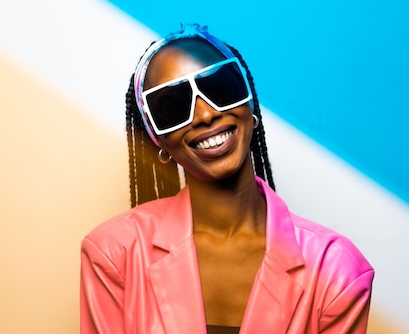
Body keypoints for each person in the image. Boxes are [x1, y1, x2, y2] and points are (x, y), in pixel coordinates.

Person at [80, 23, 374, 333]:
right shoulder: (114, 253)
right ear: (159, 142)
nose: (205, 114)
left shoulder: (336, 268)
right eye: (174, 107)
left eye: (219, 88)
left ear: (251, 107)